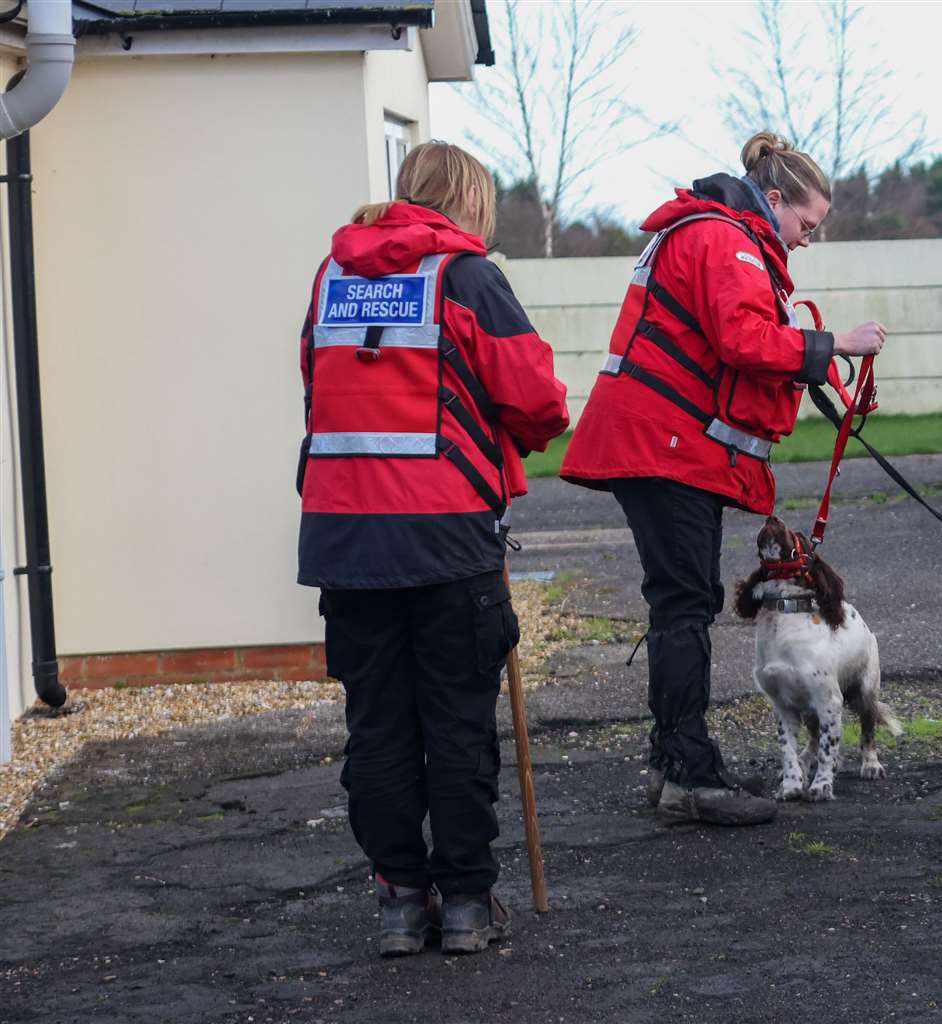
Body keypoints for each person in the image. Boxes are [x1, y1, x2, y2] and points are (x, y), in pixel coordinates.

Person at [560, 132, 887, 827]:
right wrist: (836, 345)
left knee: (679, 600)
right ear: (774, 201)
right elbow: (742, 338)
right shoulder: (725, 240)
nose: (806, 240)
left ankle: (670, 761)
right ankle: (688, 774)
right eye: (805, 225)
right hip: (664, 446)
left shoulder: (712, 233)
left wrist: (812, 360)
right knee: (684, 603)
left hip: (659, 444)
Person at [298, 141, 570, 955]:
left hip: (346, 540)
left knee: (377, 727)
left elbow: (313, 384)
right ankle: (465, 905)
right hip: (450, 538)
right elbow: (539, 401)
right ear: (470, 204)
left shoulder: (331, 277)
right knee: (456, 725)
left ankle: (398, 900)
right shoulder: (468, 277)